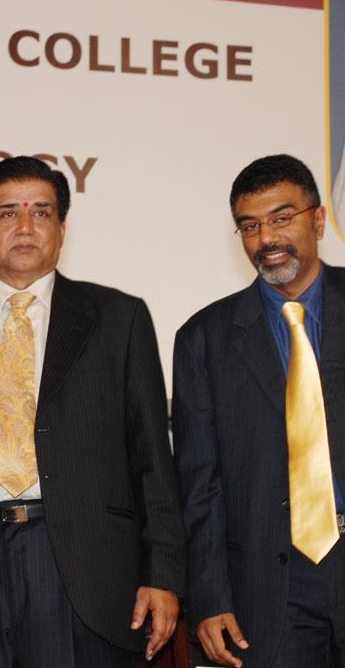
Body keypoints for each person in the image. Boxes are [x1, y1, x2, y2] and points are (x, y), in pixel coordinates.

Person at [0, 156, 186, 668]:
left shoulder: (119, 319)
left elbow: (152, 458)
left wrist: (162, 574)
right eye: (8, 213)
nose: (25, 227)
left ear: (61, 229)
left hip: (89, 571)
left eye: (41, 212)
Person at [173, 154, 345, 668]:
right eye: (250, 226)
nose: (266, 238)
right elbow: (199, 484)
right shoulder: (204, 338)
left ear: (318, 220)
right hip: (271, 590)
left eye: (281, 218)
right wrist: (210, 596)